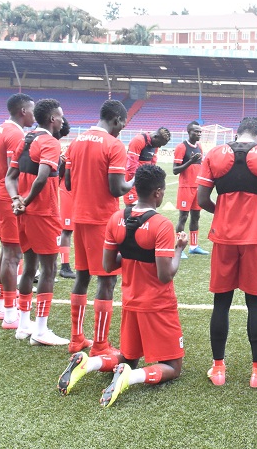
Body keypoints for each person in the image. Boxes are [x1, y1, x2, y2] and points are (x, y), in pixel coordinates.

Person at [58, 165, 188, 407]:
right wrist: (179, 250)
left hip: (130, 300)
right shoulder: (161, 225)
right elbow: (165, 275)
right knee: (174, 366)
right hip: (158, 304)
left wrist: (132, 252)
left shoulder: (117, 218)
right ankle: (131, 377)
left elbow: (108, 265)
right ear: (158, 192)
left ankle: (91, 363)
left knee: (129, 356)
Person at [197, 116, 257, 388]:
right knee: (255, 304)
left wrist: (223, 214)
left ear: (236, 134)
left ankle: (218, 370)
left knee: (221, 304)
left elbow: (202, 200)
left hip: (223, 238)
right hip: (256, 239)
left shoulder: (214, 153)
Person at [65, 99, 134, 356]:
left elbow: (69, 183)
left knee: (82, 276)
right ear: (116, 119)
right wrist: (134, 180)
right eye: (122, 124)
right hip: (102, 220)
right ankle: (100, 345)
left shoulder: (76, 141)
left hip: (79, 217)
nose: (122, 129)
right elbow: (117, 188)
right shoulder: (114, 145)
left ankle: (76, 339)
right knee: (106, 280)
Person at [4, 98, 68, 345]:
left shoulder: (26, 139)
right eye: (60, 116)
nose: (62, 120)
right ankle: (41, 331)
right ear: (52, 119)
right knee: (49, 270)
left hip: (23, 214)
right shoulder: (50, 142)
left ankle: (23, 326)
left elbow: (10, 177)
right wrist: (27, 201)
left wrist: (16, 201)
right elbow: (42, 179)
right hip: (44, 214)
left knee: (29, 267)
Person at [0, 93, 35, 326]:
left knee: (6, 253)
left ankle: (3, 306)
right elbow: (14, 172)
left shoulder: (2, 129)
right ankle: (11, 314)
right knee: (13, 255)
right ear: (23, 111)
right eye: (32, 110)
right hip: (9, 197)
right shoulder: (15, 134)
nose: (34, 115)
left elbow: (1, 168)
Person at [173, 121, 209, 257]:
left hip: (197, 187)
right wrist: (190, 162)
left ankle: (193, 246)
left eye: (200, 131)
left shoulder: (199, 147)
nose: (199, 133)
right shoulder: (181, 147)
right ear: (189, 132)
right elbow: (175, 170)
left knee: (196, 217)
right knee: (183, 217)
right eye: (196, 131)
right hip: (185, 187)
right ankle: (179, 248)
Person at [123, 127, 171, 206]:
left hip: (145, 180)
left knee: (145, 206)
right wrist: (134, 181)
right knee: (132, 207)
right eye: (159, 144)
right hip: (134, 180)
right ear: (155, 137)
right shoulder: (138, 140)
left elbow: (153, 162)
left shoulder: (155, 145)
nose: (159, 147)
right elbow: (131, 165)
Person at [56, 117, 76, 279]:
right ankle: (64, 266)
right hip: (68, 192)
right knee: (66, 230)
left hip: (78, 194)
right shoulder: (70, 150)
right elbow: (60, 173)